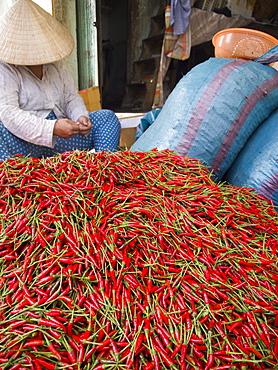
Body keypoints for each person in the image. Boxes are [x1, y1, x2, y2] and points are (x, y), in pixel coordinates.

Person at [0, 0, 121, 161]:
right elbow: (9, 113)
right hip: (21, 142)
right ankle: (16, 178)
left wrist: (80, 117)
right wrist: (51, 128)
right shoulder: (6, 69)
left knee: (107, 118)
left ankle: (102, 172)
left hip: (61, 138)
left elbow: (70, 97)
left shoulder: (55, 64)